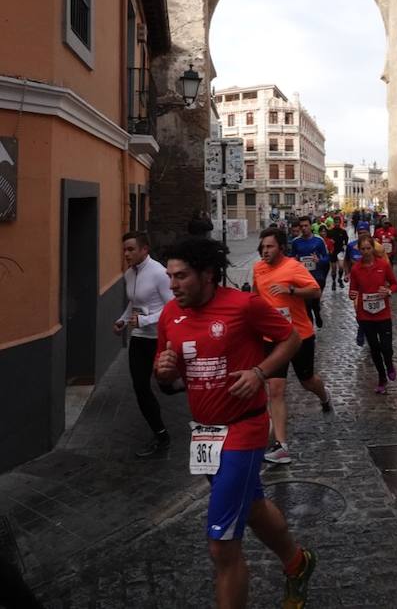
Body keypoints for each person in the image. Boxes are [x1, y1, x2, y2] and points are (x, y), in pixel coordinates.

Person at [155, 237, 316, 609]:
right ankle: (297, 562)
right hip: (205, 434)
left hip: (244, 429)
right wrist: (164, 373)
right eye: (170, 276)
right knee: (254, 505)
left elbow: (290, 339)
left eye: (181, 276)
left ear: (207, 275)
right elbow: (168, 374)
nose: (173, 284)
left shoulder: (243, 305)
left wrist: (259, 373)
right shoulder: (169, 315)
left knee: (222, 544)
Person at [253, 228, 332, 465]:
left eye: (270, 246)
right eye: (263, 247)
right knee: (275, 390)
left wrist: (291, 290)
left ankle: (324, 396)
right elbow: (257, 297)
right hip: (272, 339)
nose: (265, 251)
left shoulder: (293, 267)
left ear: (281, 248)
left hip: (299, 336)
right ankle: (281, 446)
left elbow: (315, 291)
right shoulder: (258, 268)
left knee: (307, 381)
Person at [113, 231, 172, 458]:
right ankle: (161, 435)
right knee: (140, 387)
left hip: (159, 340)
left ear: (144, 249)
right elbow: (134, 303)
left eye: (131, 249)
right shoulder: (129, 274)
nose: (126, 254)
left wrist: (146, 320)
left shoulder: (159, 273)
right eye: (125, 249)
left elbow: (171, 307)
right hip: (139, 338)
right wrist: (122, 319)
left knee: (168, 385)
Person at [349, 234, 397, 393]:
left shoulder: (383, 265)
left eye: (368, 248)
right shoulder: (356, 268)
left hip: (383, 313)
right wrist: (352, 294)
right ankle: (382, 378)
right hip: (365, 315)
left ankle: (389, 364)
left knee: (386, 347)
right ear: (359, 249)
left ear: (373, 248)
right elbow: (353, 288)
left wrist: (388, 291)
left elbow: (395, 284)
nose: (366, 252)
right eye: (362, 249)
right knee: (374, 348)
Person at [290, 216, 329, 329]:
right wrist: (295, 261)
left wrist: (319, 260)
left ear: (311, 226)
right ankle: (310, 329)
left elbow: (327, 258)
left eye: (306, 226)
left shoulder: (319, 241)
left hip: (317, 277)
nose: (304, 228)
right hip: (303, 278)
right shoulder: (296, 242)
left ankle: (317, 314)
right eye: (301, 226)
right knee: (306, 304)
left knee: (315, 303)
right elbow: (291, 258)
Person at [328, 215, 349, 291]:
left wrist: (345, 245)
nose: (337, 223)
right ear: (334, 222)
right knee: (333, 269)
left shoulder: (343, 231)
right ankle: (333, 282)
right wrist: (330, 244)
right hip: (333, 251)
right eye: (335, 222)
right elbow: (328, 241)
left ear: (340, 222)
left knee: (341, 267)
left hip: (340, 250)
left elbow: (346, 240)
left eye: (338, 222)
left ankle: (339, 279)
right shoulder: (330, 231)